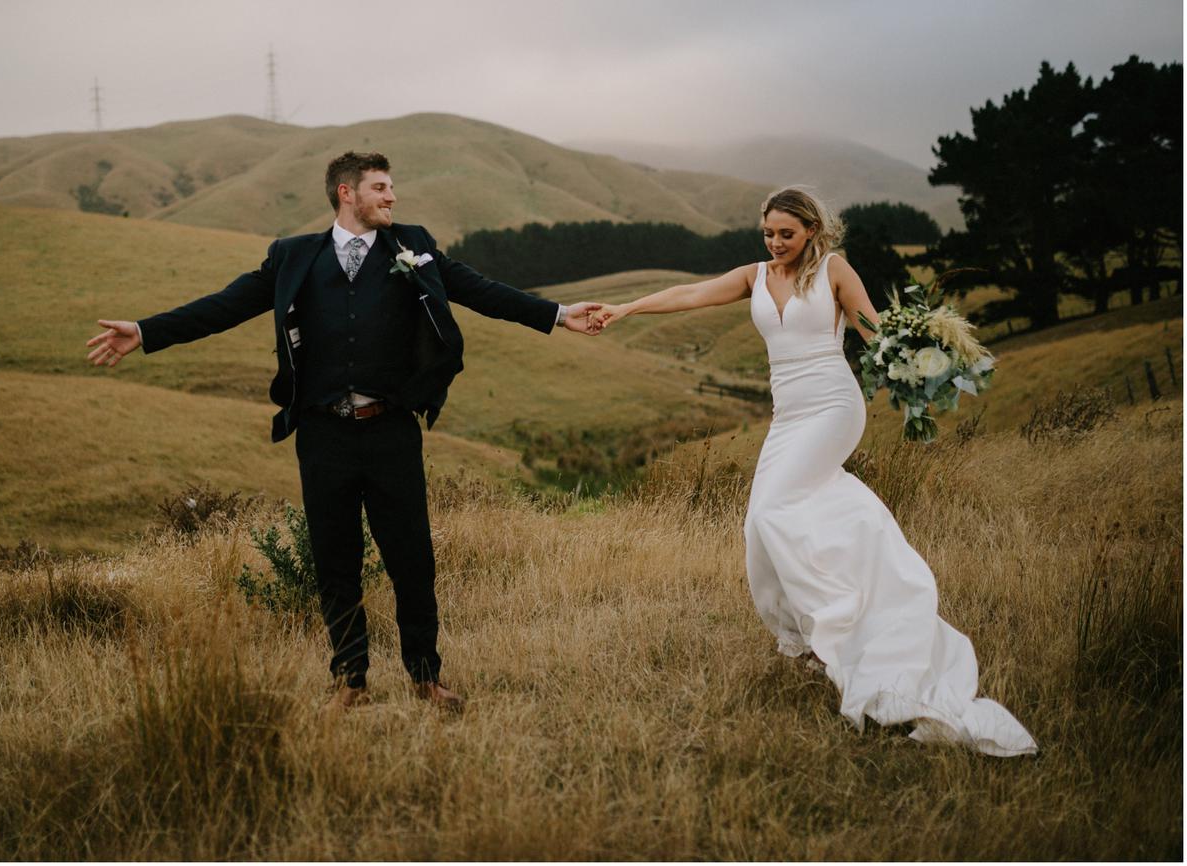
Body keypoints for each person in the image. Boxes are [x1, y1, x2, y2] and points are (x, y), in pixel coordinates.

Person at [88, 151, 602, 713]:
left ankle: (426, 677)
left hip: (392, 431)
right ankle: (350, 682)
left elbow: (480, 290)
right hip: (323, 435)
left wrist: (557, 314)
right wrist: (145, 331)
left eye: (391, 187)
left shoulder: (414, 246)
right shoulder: (292, 258)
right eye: (380, 187)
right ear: (345, 194)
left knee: (412, 557)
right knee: (335, 560)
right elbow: (225, 307)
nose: (392, 197)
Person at [590, 186, 1036, 756]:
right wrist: (626, 309)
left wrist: (923, 366)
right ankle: (809, 637)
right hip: (788, 415)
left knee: (777, 509)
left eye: (788, 235)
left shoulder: (834, 271)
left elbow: (879, 337)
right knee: (759, 523)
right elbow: (691, 293)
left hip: (832, 407)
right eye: (769, 234)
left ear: (812, 231)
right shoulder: (755, 275)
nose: (777, 244)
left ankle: (844, 629)